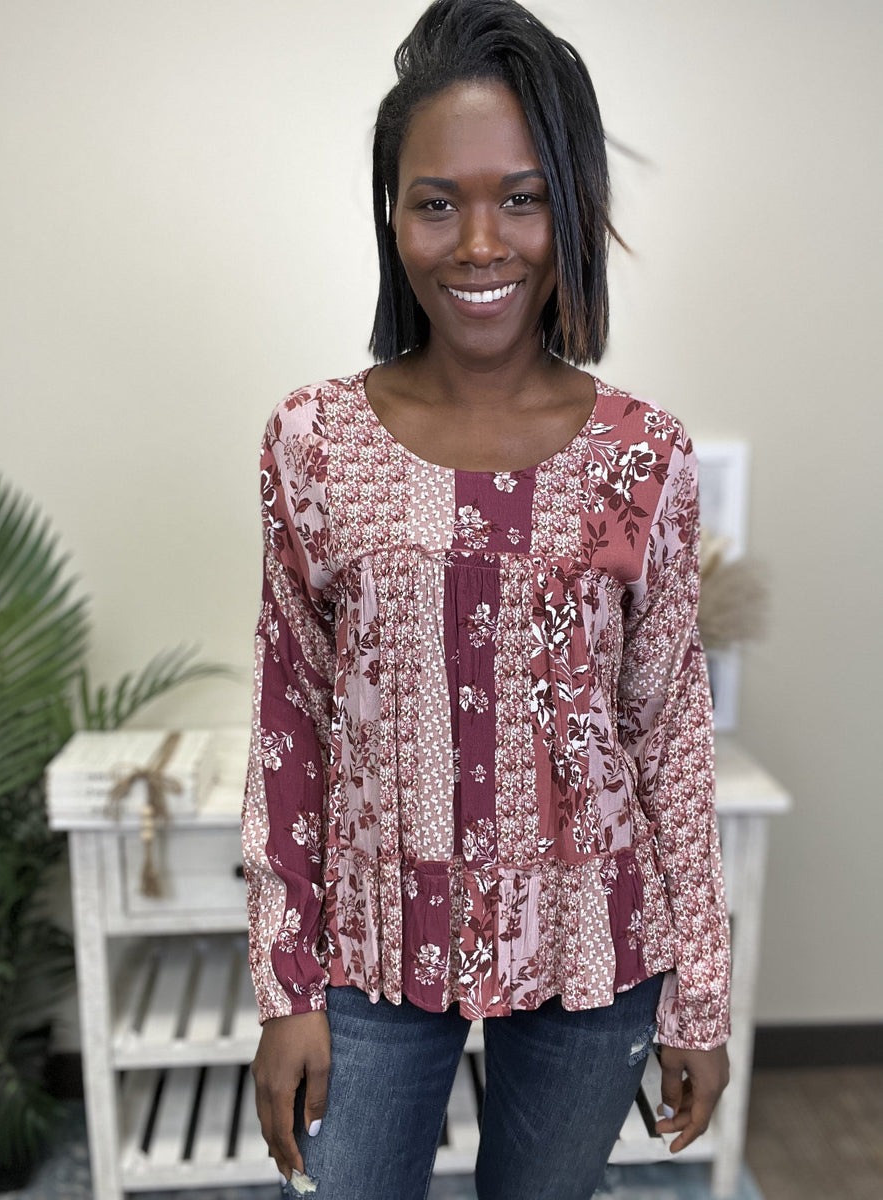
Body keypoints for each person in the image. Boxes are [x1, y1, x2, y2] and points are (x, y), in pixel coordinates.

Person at [241, 1, 731, 1196]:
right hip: (367, 952)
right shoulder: (313, 443)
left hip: (595, 948)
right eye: (436, 202)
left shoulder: (643, 456)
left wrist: (700, 996)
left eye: (521, 198)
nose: (477, 243)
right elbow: (289, 721)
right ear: (391, 215)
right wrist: (285, 984)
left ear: (571, 209)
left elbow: (668, 730)